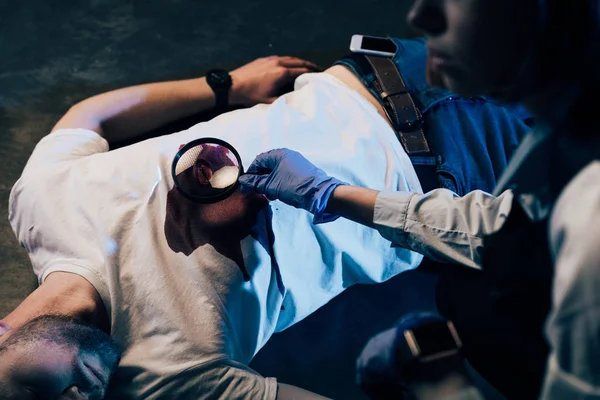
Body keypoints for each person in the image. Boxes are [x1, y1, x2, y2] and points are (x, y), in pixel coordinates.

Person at [0, 36, 530, 399]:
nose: (77, 399)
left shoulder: (38, 205)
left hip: (382, 74)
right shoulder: (166, 379)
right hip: (454, 183)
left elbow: (86, 117)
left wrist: (225, 85)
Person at [239, 1, 600, 399]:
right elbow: (501, 222)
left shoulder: (591, 227)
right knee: (468, 294)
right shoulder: (571, 129)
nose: (420, 17)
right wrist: (330, 194)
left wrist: (440, 384)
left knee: (473, 301)